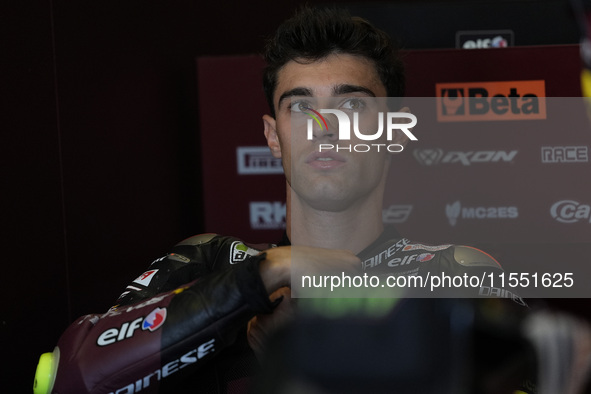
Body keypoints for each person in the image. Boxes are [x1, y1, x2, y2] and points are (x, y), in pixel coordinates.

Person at [34, 7, 531, 394]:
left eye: (352, 104)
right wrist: (263, 276)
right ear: (273, 137)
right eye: (300, 107)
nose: (324, 129)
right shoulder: (209, 263)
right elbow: (67, 377)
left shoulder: (448, 271)